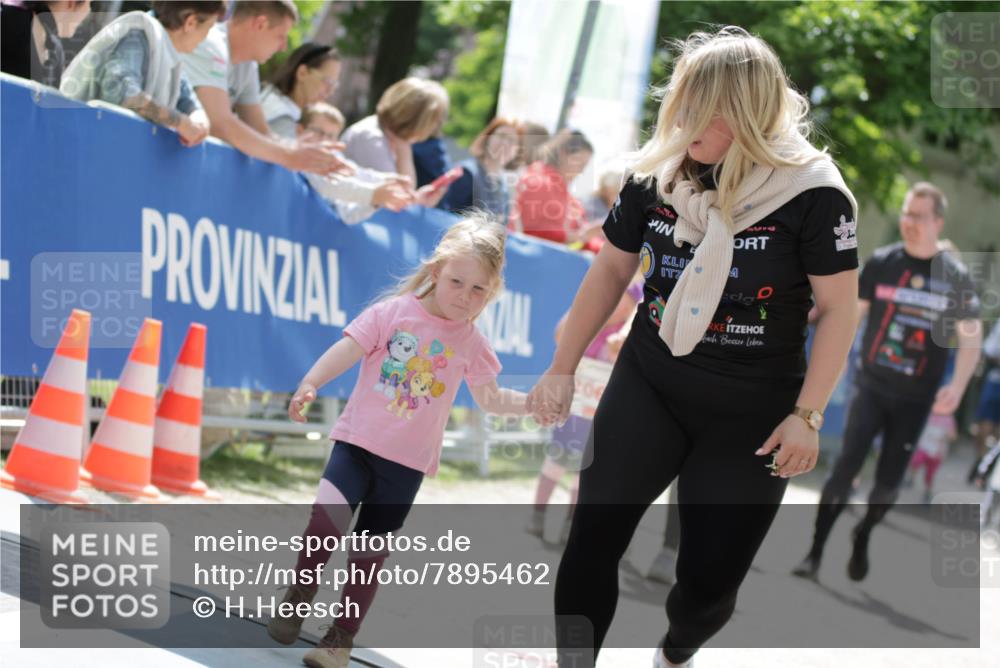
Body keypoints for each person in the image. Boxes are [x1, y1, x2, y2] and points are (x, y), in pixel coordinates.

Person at [525, 27, 861, 668]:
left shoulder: (813, 192)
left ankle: (675, 653)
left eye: (697, 108)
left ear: (745, 111)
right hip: (650, 381)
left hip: (753, 414)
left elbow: (841, 309)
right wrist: (562, 366)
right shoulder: (653, 172)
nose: (678, 120)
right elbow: (610, 269)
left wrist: (808, 415)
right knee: (592, 537)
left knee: (707, 589)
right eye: (677, 102)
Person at [266, 216, 530, 668]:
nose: (464, 297)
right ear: (436, 272)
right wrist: (311, 382)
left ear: (491, 293)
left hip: (405, 468)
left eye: (478, 290)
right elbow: (349, 347)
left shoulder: (472, 343)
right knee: (324, 525)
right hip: (355, 447)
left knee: (368, 555)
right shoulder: (393, 313)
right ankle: (299, 594)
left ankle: (339, 639)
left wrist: (533, 405)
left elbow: (491, 399)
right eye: (456, 282)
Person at [793, 180, 982, 583]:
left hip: (917, 398)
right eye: (906, 213)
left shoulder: (955, 276)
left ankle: (863, 532)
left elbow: (970, 338)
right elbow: (849, 319)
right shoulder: (883, 262)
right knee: (844, 468)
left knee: (887, 486)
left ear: (938, 222)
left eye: (918, 216)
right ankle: (814, 552)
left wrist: (958, 386)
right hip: (871, 386)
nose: (909, 222)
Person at [526, 280, 643, 545]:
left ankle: (571, 525)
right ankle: (537, 515)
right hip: (572, 409)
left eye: (624, 302)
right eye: (615, 298)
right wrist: (584, 311)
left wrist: (621, 339)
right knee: (556, 460)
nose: (617, 305)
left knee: (585, 471)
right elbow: (560, 335)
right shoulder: (591, 324)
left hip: (599, 415)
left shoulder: (624, 337)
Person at [181, 0, 349, 175]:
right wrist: (290, 156)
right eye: (281, 36)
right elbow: (220, 124)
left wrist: (307, 154)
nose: (283, 46)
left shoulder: (247, 64)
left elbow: (261, 131)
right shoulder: (211, 44)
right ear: (260, 24)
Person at [261, 43, 414, 222]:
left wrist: (384, 181)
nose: (330, 90)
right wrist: (374, 193)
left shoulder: (291, 112)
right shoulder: (280, 114)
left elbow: (337, 167)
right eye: (326, 81)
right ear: (302, 73)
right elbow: (317, 176)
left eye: (334, 84)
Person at [59, 1, 224, 147]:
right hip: (72, 145)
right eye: (209, 27)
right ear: (190, 22)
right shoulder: (137, 34)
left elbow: (188, 102)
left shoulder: (169, 53)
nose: (206, 37)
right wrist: (180, 122)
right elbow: (124, 95)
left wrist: (199, 120)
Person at [296, 102, 415, 224]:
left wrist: (386, 183)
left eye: (331, 136)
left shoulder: (334, 157)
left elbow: (348, 213)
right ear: (300, 130)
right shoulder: (300, 159)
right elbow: (330, 186)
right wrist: (373, 194)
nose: (324, 140)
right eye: (319, 132)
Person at [340, 77, 449, 188]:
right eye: (435, 120)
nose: (436, 127)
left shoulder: (392, 138)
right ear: (418, 120)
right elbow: (399, 193)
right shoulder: (372, 139)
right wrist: (404, 153)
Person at [512, 129, 602, 252]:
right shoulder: (538, 182)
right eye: (579, 163)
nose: (581, 171)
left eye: (584, 166)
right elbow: (532, 231)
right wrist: (576, 237)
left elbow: (583, 238)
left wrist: (604, 248)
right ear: (562, 154)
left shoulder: (567, 195)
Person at [1, 0, 91, 88]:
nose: (89, 11)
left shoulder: (54, 46)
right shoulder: (7, 23)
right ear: (70, 2)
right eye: (91, 3)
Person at [444, 117, 522, 219]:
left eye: (512, 140)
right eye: (501, 136)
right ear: (487, 139)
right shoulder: (466, 174)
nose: (505, 143)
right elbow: (447, 217)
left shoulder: (504, 189)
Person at [905, 411, 957, 503]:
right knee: (916, 461)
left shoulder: (949, 419)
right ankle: (911, 479)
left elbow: (953, 436)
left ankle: (928, 492)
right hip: (923, 447)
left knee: (929, 474)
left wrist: (948, 436)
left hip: (937, 452)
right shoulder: (928, 413)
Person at [970, 320, 1000, 481]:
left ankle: (989, 466)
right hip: (995, 381)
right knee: (984, 426)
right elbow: (989, 349)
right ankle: (980, 461)